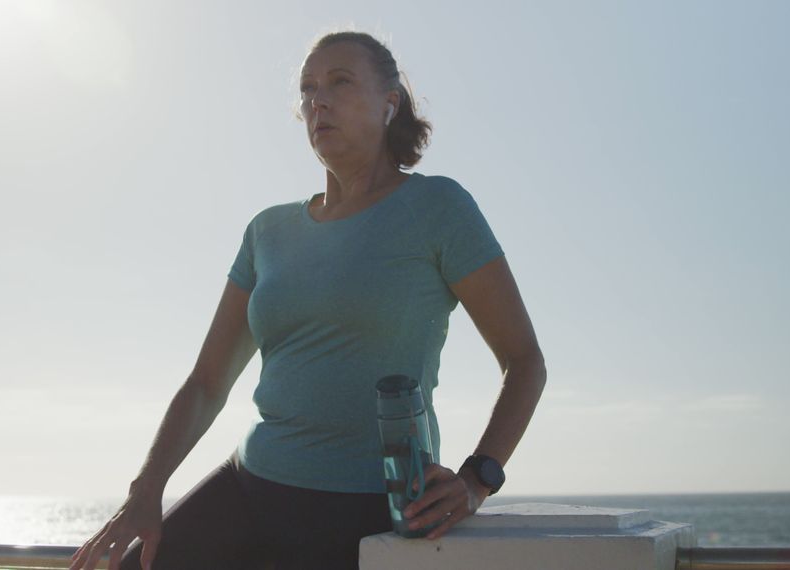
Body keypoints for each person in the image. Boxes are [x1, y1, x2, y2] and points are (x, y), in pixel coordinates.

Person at [70, 30, 546, 570]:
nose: (317, 100)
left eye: (340, 82)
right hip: (247, 489)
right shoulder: (267, 231)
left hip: (366, 510)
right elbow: (207, 384)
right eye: (307, 89)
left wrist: (477, 479)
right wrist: (146, 489)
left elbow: (525, 361)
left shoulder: (438, 209)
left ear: (390, 104)